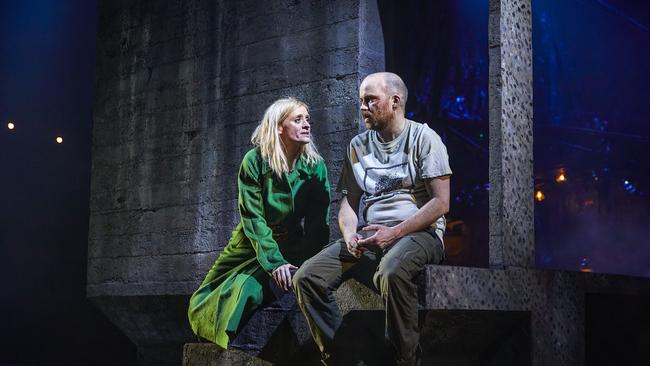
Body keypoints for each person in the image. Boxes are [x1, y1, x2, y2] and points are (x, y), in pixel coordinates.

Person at [293, 72, 451, 366]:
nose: (363, 107)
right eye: (361, 101)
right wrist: (350, 233)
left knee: (389, 273)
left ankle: (405, 359)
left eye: (370, 100)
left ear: (395, 101)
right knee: (306, 277)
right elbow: (349, 203)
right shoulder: (357, 146)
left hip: (420, 235)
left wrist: (394, 233)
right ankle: (340, 359)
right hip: (369, 237)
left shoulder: (424, 139)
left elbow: (441, 203)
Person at [188, 97, 331, 349]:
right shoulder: (254, 161)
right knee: (213, 296)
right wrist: (275, 263)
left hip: (292, 244)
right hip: (250, 244)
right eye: (298, 120)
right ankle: (213, 333)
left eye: (307, 119)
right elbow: (253, 218)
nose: (307, 124)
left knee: (256, 291)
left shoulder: (315, 167)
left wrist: (309, 264)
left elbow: (320, 224)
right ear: (278, 127)